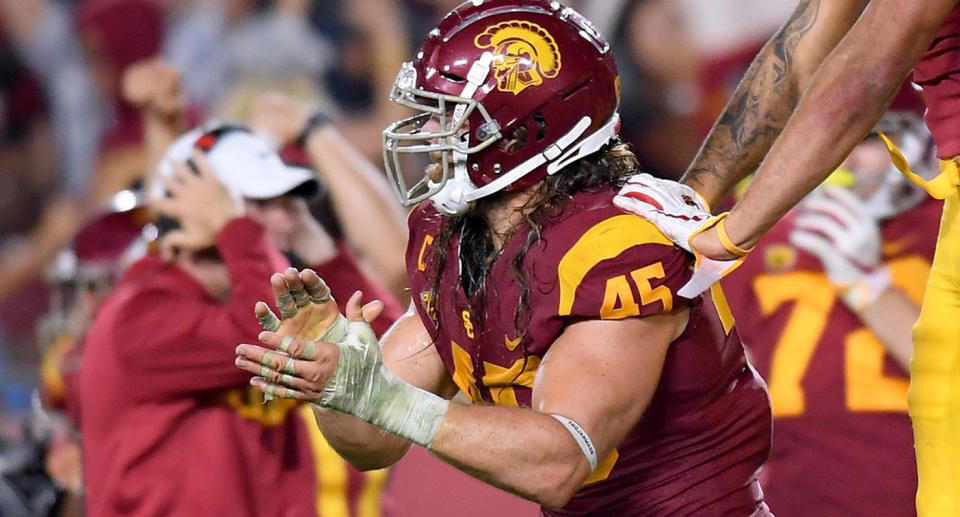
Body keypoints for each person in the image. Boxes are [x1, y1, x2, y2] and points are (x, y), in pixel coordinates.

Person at [235, 1, 773, 515]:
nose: (424, 132)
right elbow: (372, 443)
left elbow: (562, 461)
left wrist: (383, 399)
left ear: (519, 129)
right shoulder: (459, 238)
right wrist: (337, 386)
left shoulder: (612, 246)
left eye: (445, 115)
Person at [610, 1, 960, 513]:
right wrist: (691, 208)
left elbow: (865, 71)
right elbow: (801, 46)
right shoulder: (788, 243)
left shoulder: (918, 223)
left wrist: (732, 231)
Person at [80, 126, 395, 517]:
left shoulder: (245, 294)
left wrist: (321, 248)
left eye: (289, 203)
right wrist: (237, 230)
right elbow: (271, 335)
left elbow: (392, 360)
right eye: (262, 205)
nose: (285, 222)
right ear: (196, 216)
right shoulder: (142, 313)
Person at [722, 97, 940, 516]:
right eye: (832, 135)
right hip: (792, 500)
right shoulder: (765, 238)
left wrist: (866, 283)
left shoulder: (945, 228)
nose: (844, 156)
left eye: (869, 138)